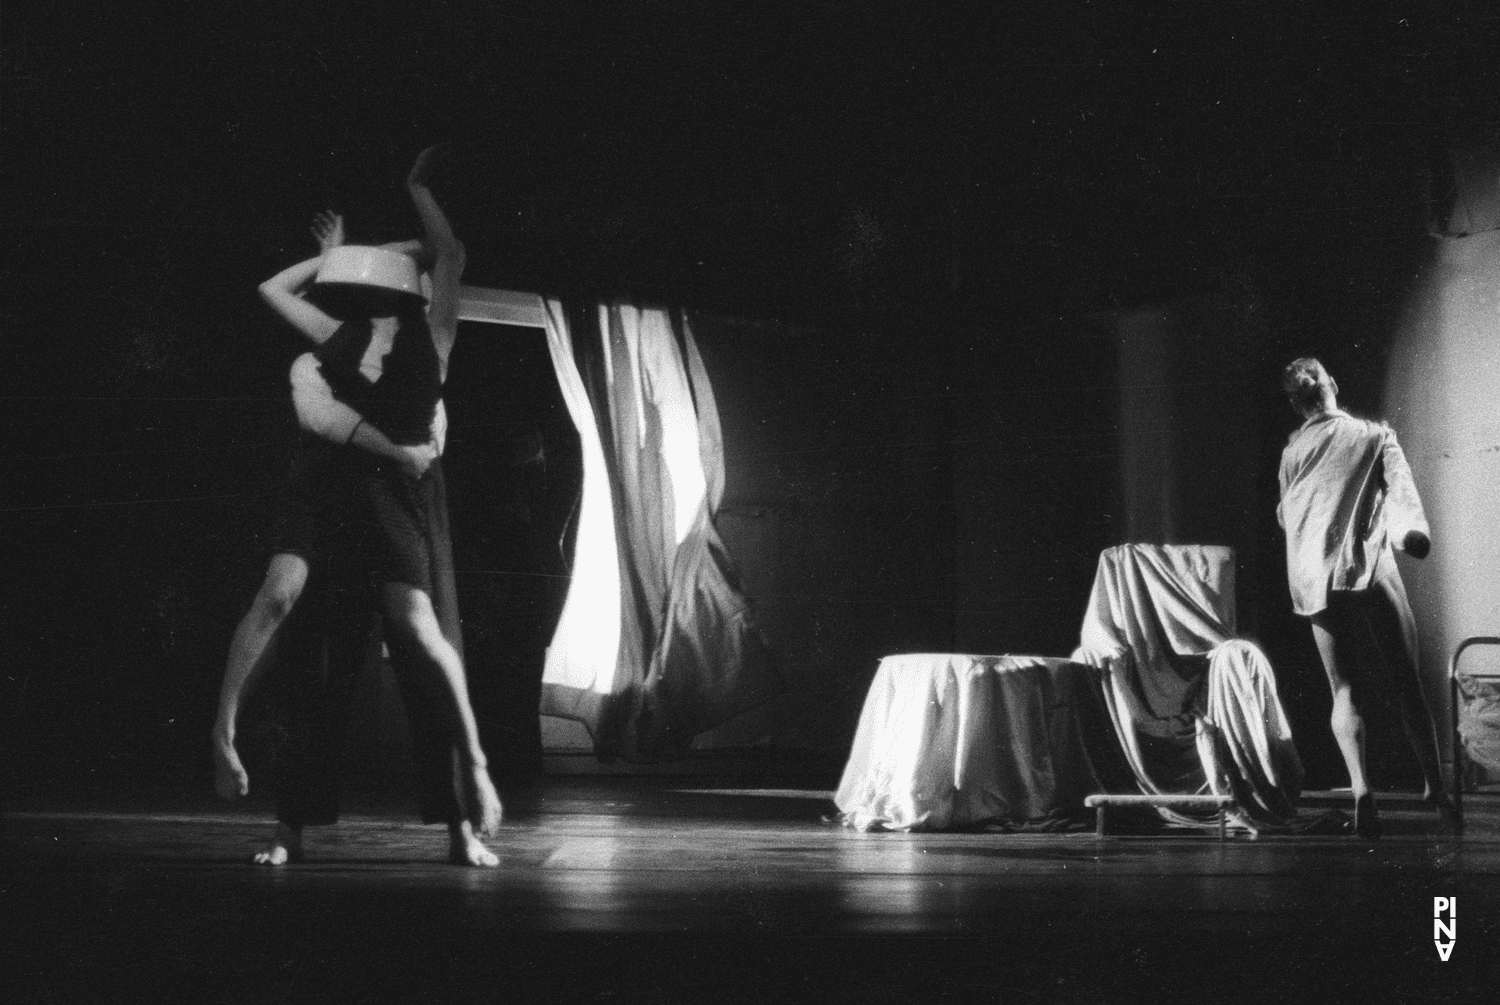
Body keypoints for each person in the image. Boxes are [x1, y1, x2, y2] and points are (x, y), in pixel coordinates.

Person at [211, 147, 501, 866]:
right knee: (318, 666)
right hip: (347, 496)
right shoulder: (340, 338)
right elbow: (274, 291)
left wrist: (414, 193)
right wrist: (332, 259)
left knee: (425, 645)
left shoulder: (435, 333)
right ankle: (288, 827)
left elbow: (450, 252)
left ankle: (466, 810)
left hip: (405, 499)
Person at [1276, 357, 1453, 838]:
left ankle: (1360, 787)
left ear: (1297, 403)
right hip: (1369, 565)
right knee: (1407, 680)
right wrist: (1411, 533)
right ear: (1332, 384)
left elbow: (1286, 515)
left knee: (1343, 689)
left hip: (1315, 576)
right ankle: (1435, 785)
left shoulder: (1293, 453)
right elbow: (1402, 496)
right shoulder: (1374, 436)